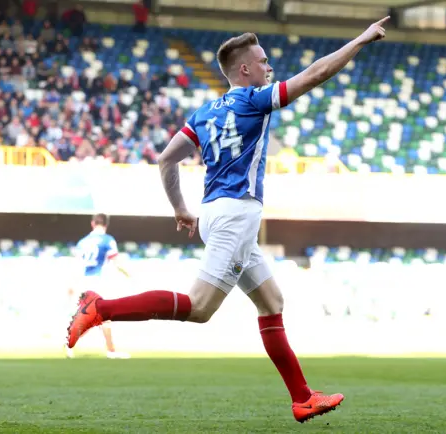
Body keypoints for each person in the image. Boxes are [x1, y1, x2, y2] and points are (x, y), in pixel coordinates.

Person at [67, 17, 389, 422]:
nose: (269, 68)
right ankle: (101, 307)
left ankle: (303, 397)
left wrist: (181, 209)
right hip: (236, 213)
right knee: (199, 308)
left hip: (215, 213)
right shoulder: (254, 101)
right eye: (264, 61)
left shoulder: (204, 113)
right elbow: (318, 72)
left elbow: (167, 158)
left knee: (272, 301)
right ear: (245, 70)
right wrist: (359, 39)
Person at [66, 213, 130, 359]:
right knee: (104, 317)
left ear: (92, 223)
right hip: (97, 281)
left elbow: (76, 264)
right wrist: (130, 275)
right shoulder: (108, 240)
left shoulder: (82, 242)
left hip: (84, 281)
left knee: (95, 318)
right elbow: (117, 263)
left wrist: (71, 283)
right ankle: (111, 352)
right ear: (106, 225)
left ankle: (70, 341)